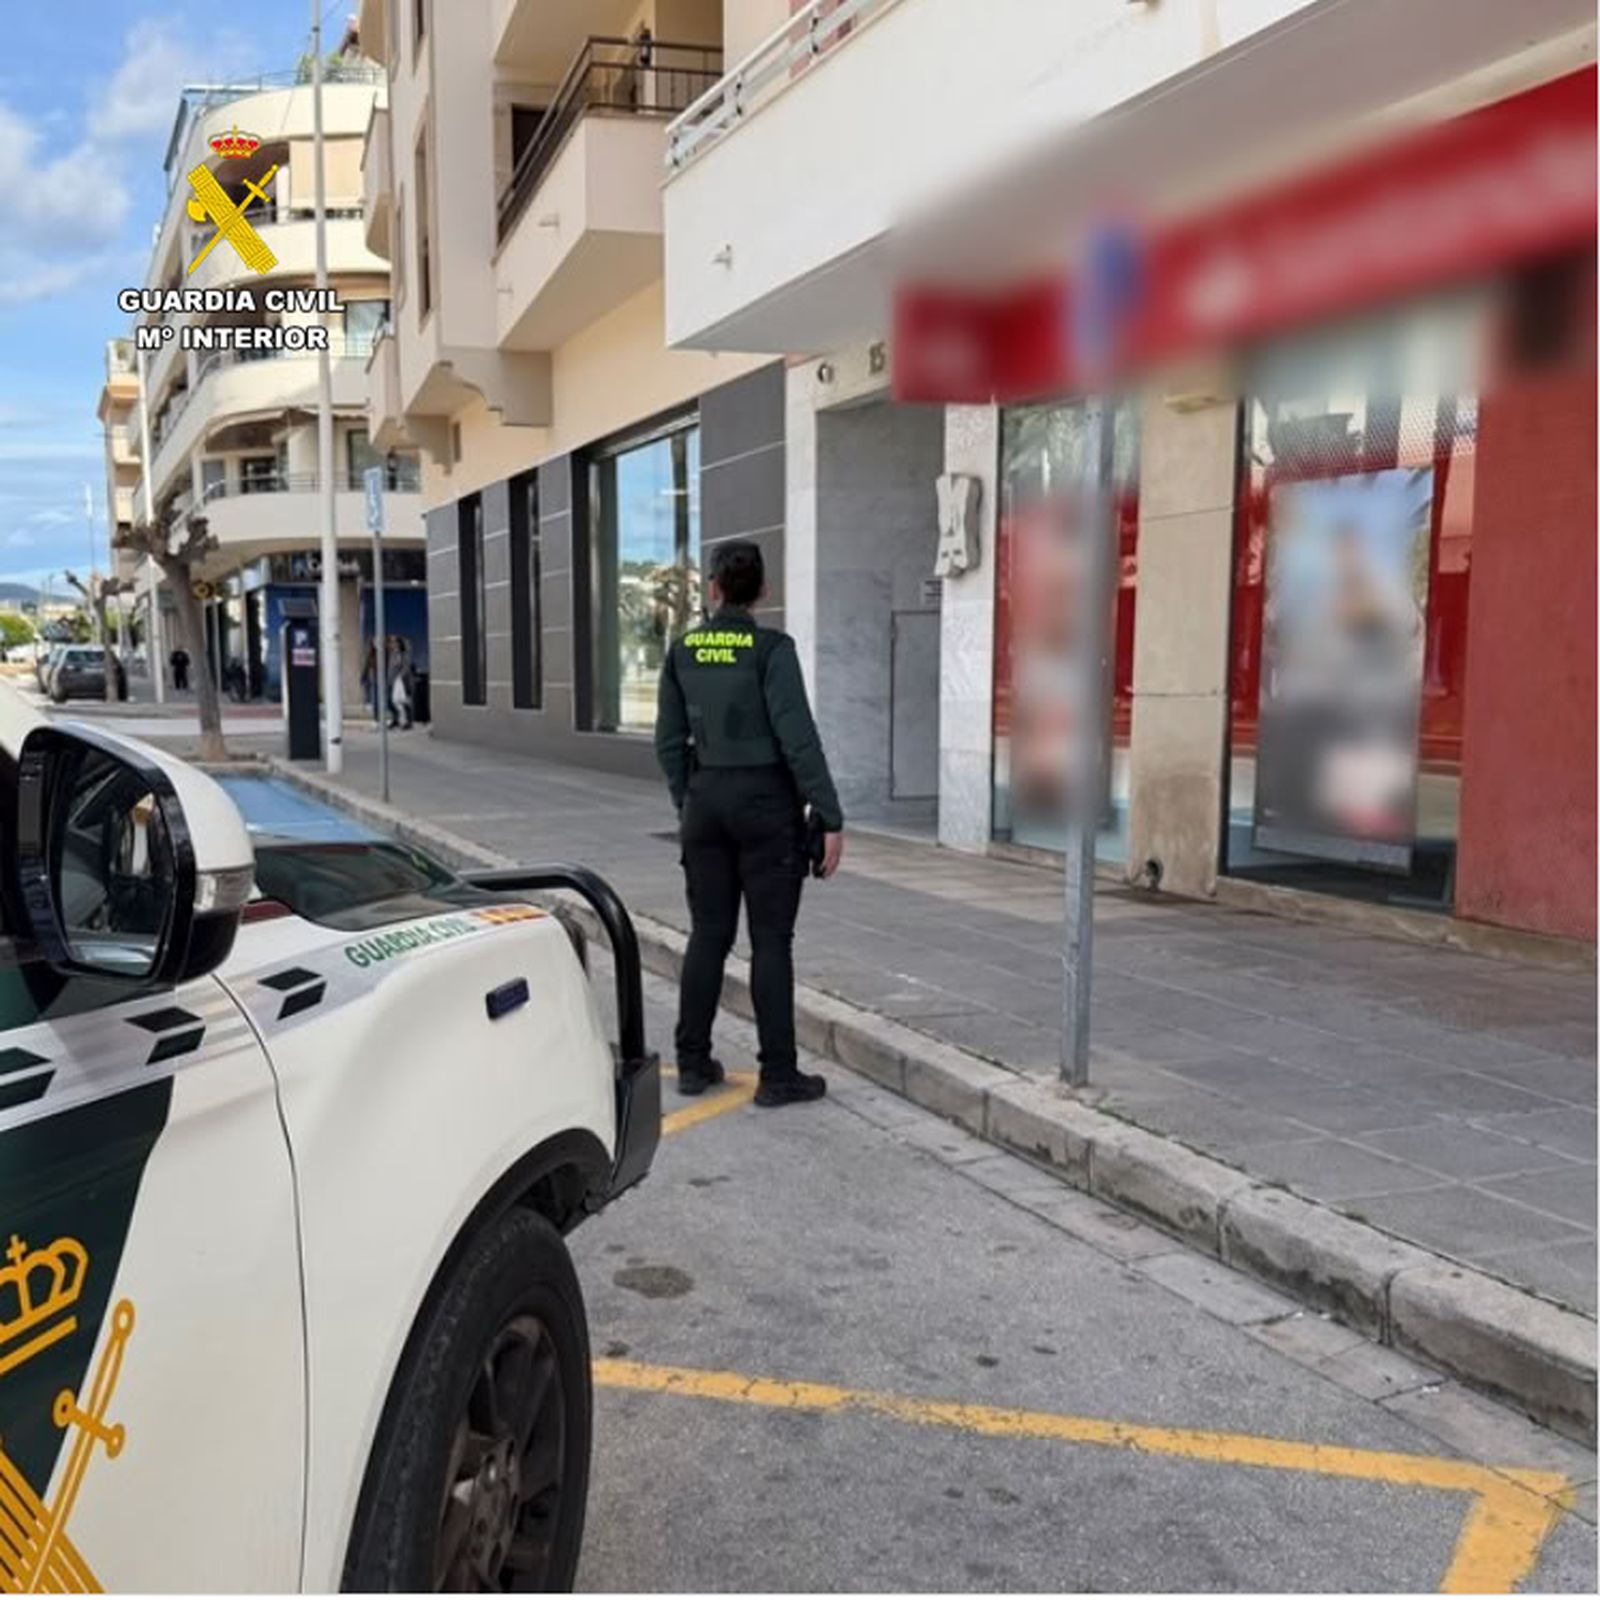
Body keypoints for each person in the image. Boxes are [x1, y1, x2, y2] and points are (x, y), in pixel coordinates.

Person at [655, 541, 844, 1108]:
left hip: (706, 799)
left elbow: (668, 742)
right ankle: (778, 1076)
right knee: (770, 941)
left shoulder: (682, 651)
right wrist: (828, 813)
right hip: (766, 805)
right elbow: (798, 737)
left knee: (708, 935)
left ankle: (691, 1062)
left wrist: (688, 799)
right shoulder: (771, 650)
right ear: (763, 590)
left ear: (713, 588)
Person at [387, 635, 414, 730]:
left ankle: (408, 722)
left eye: (395, 642)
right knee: (393, 702)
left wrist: (400, 676)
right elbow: (391, 668)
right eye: (392, 642)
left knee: (404, 701)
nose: (393, 644)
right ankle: (397, 720)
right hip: (392, 681)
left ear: (399, 643)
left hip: (402, 682)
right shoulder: (392, 653)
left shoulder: (403, 654)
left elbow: (406, 667)